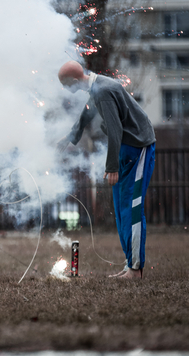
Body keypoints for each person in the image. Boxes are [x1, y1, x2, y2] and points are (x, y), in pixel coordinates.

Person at [56, 61, 156, 279]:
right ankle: (130, 264)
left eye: (65, 85)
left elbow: (115, 129)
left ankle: (136, 269)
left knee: (132, 208)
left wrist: (111, 167)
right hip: (126, 150)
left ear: (73, 81)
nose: (66, 90)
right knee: (122, 209)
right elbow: (88, 112)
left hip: (138, 147)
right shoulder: (96, 86)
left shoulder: (103, 90)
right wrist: (70, 138)